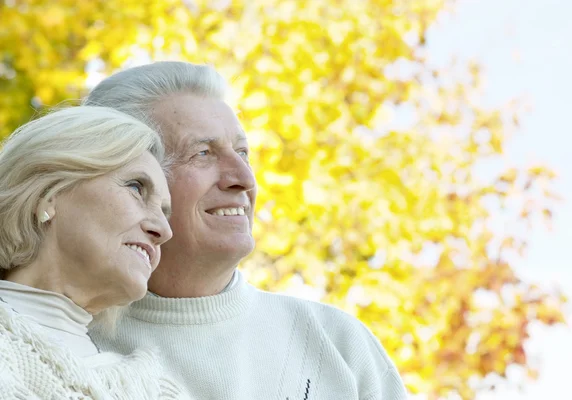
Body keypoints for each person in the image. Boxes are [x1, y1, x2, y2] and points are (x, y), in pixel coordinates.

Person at [86, 61, 408, 399]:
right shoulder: (61, 347)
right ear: (132, 184)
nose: (243, 178)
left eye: (242, 152)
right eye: (203, 153)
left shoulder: (339, 345)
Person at [0, 106, 192, 399]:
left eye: (164, 213)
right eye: (136, 188)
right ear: (49, 195)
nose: (164, 231)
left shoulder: (158, 389)